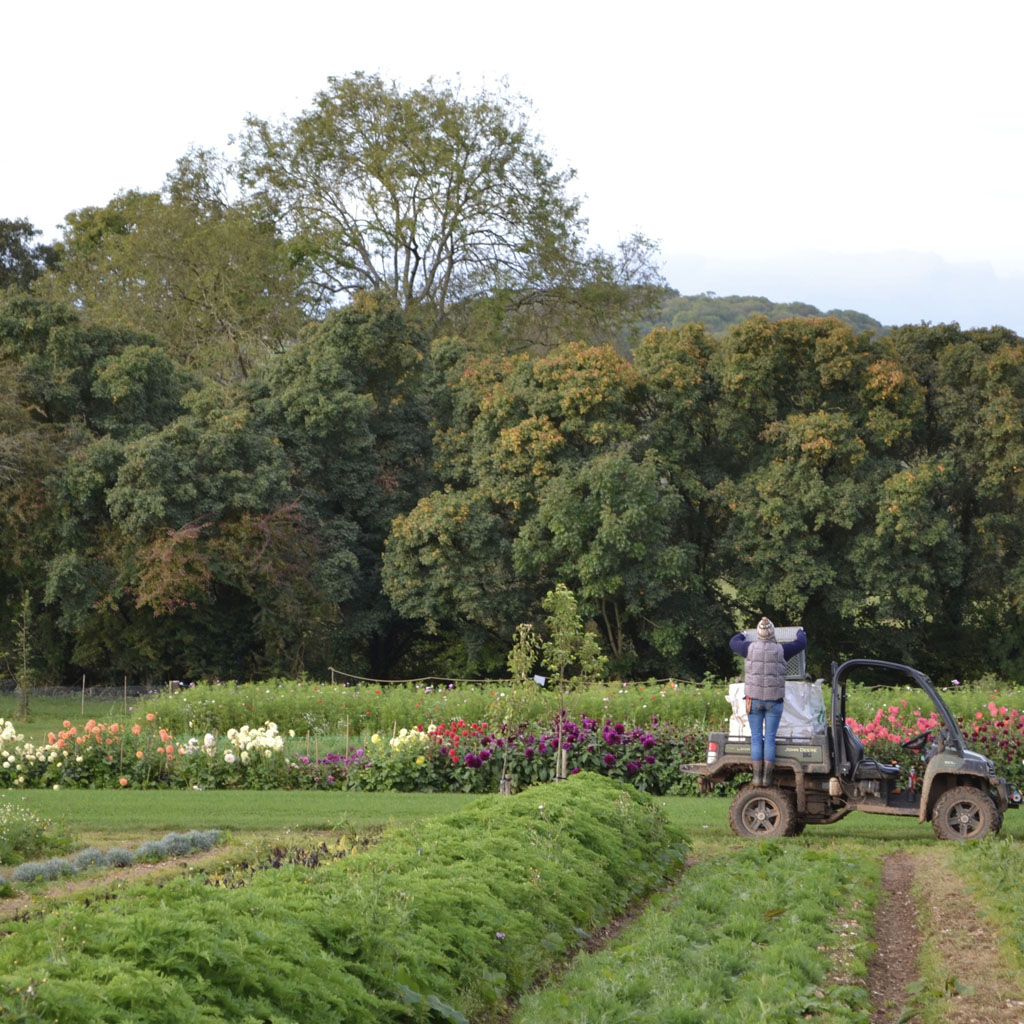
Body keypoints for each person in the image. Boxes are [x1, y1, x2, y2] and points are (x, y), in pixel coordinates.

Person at [729, 617, 807, 787]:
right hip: (774, 701)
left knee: (757, 737)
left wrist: (742, 634)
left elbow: (733, 641)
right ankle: (767, 778)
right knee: (770, 738)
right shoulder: (782, 650)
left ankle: (756, 777)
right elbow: (801, 642)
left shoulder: (748, 648)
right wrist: (800, 631)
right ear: (772, 633)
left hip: (754, 701)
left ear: (758, 634)